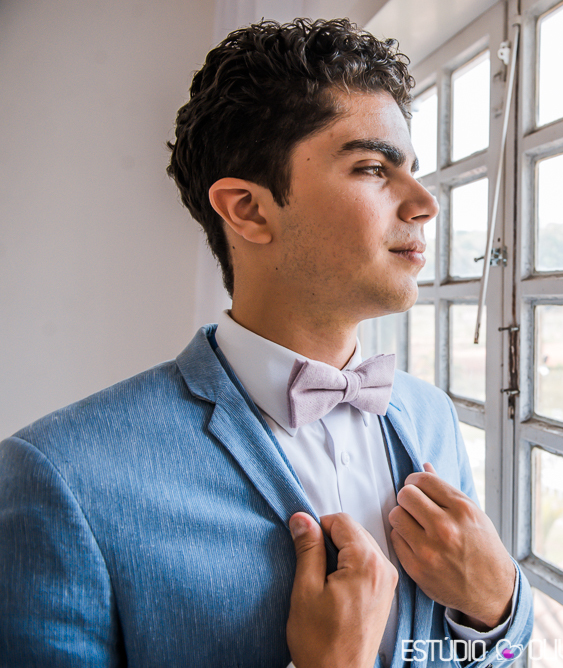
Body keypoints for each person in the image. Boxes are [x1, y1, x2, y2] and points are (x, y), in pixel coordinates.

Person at [0, 18, 532, 668]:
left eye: (413, 170)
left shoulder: (431, 417)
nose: (425, 203)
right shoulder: (59, 479)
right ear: (249, 209)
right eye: (372, 167)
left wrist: (498, 609)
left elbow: (492, 656)